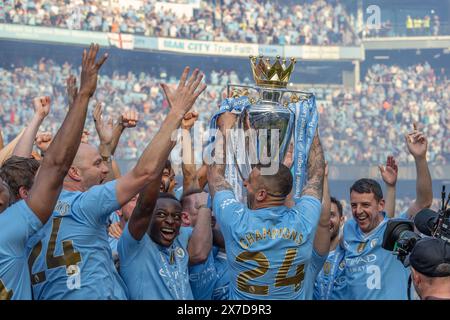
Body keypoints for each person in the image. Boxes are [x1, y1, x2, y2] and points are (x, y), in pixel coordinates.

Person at [28, 66, 207, 300]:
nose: (104, 167)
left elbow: (46, 165)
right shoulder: (86, 205)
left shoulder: (30, 208)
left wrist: (76, 105)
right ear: (73, 172)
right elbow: (144, 175)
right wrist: (175, 114)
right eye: (96, 163)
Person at [0, 43, 108, 300]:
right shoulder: (9, 228)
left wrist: (39, 117)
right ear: (24, 195)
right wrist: (82, 97)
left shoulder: (12, 220)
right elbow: (55, 167)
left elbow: (21, 168)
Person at [208, 111, 325, 300]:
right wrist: (309, 126)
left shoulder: (236, 221)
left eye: (250, 181)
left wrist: (224, 129)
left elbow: (215, 177)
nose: (245, 183)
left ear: (262, 194)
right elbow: (317, 176)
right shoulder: (305, 219)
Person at [117, 67, 210, 299]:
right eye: (161, 216)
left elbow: (191, 185)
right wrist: (175, 118)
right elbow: (147, 202)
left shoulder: (181, 237)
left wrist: (185, 130)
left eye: (176, 217)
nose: (170, 221)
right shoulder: (133, 242)